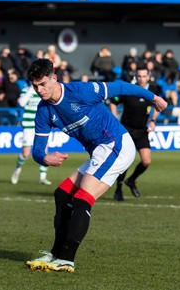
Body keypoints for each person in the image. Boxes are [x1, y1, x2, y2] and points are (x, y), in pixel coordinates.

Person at [24, 59, 167, 273]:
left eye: (43, 84)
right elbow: (37, 149)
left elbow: (120, 86)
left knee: (82, 197)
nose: (39, 90)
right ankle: (55, 253)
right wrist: (44, 159)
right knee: (62, 194)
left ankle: (67, 259)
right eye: (35, 86)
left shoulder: (81, 91)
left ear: (54, 78)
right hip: (99, 151)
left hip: (116, 144)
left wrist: (154, 97)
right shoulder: (44, 111)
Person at [109, 66, 160, 201]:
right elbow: (113, 102)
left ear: (148, 76)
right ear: (135, 77)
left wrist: (153, 120)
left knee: (146, 161)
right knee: (126, 162)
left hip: (142, 131)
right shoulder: (129, 90)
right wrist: (115, 120)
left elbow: (158, 105)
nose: (141, 79)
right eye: (139, 76)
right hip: (127, 131)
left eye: (144, 76)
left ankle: (131, 180)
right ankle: (118, 190)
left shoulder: (153, 90)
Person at [11, 84, 51, 186]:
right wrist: (30, 89)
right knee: (25, 153)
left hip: (42, 125)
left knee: (44, 151)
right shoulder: (26, 90)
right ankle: (17, 169)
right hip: (29, 125)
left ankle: (42, 177)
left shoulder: (44, 91)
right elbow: (21, 103)